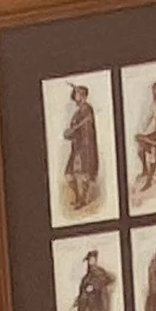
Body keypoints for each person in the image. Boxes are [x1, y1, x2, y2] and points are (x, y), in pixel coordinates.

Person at [59, 82, 102, 214]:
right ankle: (78, 197)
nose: (75, 96)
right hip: (77, 146)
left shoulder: (86, 109)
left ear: (83, 95)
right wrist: (70, 133)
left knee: (83, 174)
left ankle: (82, 200)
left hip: (85, 147)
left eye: (77, 93)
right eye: (76, 93)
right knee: (69, 175)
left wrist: (73, 131)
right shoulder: (78, 112)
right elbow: (76, 130)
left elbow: (87, 130)